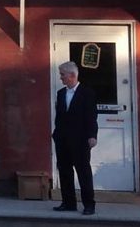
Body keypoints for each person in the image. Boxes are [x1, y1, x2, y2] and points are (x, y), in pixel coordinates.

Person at [52, 61, 98, 216]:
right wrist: (56, 134)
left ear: (72, 75)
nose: (61, 78)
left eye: (62, 75)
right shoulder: (61, 93)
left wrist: (92, 135)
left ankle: (89, 205)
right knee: (65, 171)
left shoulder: (87, 93)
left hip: (80, 140)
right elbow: (59, 117)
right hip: (62, 139)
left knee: (83, 172)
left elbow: (91, 117)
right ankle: (69, 202)